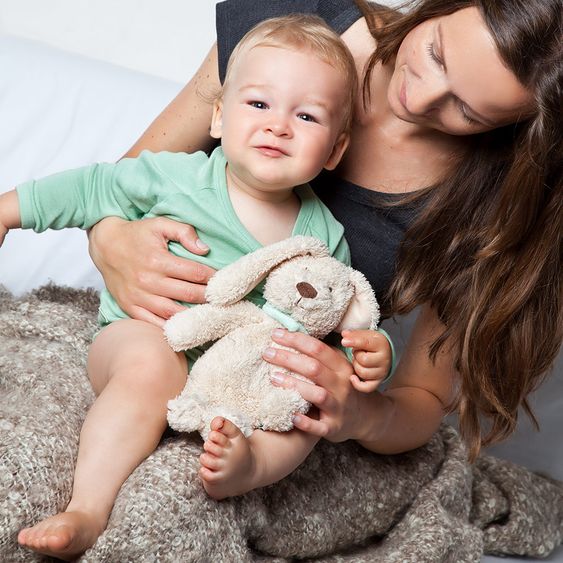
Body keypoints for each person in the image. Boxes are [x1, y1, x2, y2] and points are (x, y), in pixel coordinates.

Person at [87, 0, 562, 465]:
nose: (417, 101)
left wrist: (360, 416)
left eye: (468, 111)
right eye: (436, 54)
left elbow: (421, 397)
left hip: (270, 412)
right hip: (149, 341)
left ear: (516, 127)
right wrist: (111, 243)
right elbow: (117, 187)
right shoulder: (293, 17)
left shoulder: (493, 205)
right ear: (441, 5)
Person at [0, 15, 394, 560]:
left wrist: (376, 355)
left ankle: (250, 463)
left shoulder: (324, 235)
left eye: (306, 116)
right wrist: (8, 211)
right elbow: (91, 187)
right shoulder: (176, 177)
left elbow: (340, 315)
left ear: (333, 150)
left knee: (304, 406)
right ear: (218, 115)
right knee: (150, 365)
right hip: (146, 334)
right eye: (258, 105)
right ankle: (88, 509)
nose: (278, 125)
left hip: (237, 379)